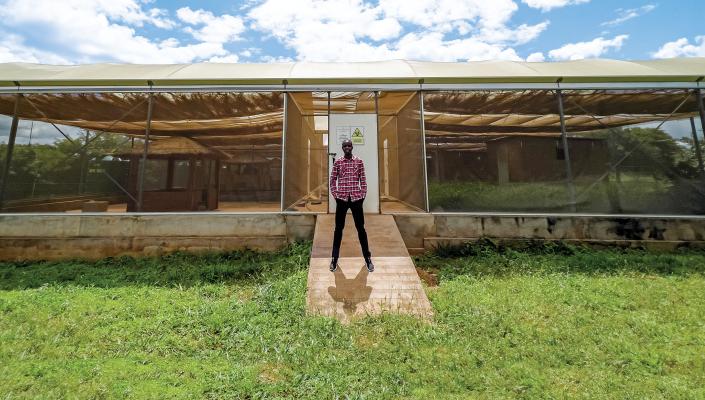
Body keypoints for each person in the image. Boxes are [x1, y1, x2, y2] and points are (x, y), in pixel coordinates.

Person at [329, 139, 374, 273]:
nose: (347, 147)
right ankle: (334, 259)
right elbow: (332, 179)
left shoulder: (359, 161)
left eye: (349, 145)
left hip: (356, 199)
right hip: (342, 199)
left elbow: (363, 179)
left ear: (352, 147)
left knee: (361, 229)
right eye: (345, 146)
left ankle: (368, 259)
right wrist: (336, 195)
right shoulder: (338, 162)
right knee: (338, 229)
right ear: (342, 148)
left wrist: (362, 195)